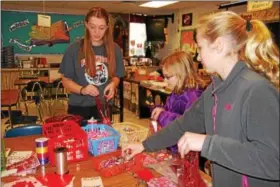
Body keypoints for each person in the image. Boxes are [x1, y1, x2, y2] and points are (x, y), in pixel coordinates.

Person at [122, 11, 279, 187]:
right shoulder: (214, 90)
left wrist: (208, 143)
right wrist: (144, 145)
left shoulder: (257, 90)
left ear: (218, 45)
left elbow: (273, 161)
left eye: (200, 47)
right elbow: (183, 125)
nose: (197, 56)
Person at [59, 7, 125, 120]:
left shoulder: (115, 49)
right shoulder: (73, 49)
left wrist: (113, 84)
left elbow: (116, 76)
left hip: (104, 106)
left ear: (107, 28)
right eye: (92, 27)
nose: (96, 32)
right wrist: (83, 90)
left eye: (101, 28)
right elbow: (66, 81)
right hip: (78, 107)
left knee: (102, 136)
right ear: (86, 25)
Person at [151, 51, 205, 153]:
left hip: (184, 152)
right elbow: (172, 111)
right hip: (174, 146)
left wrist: (162, 115)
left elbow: (187, 126)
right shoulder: (177, 91)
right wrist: (161, 109)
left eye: (168, 77)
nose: (165, 81)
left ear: (181, 74)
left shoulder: (192, 96)